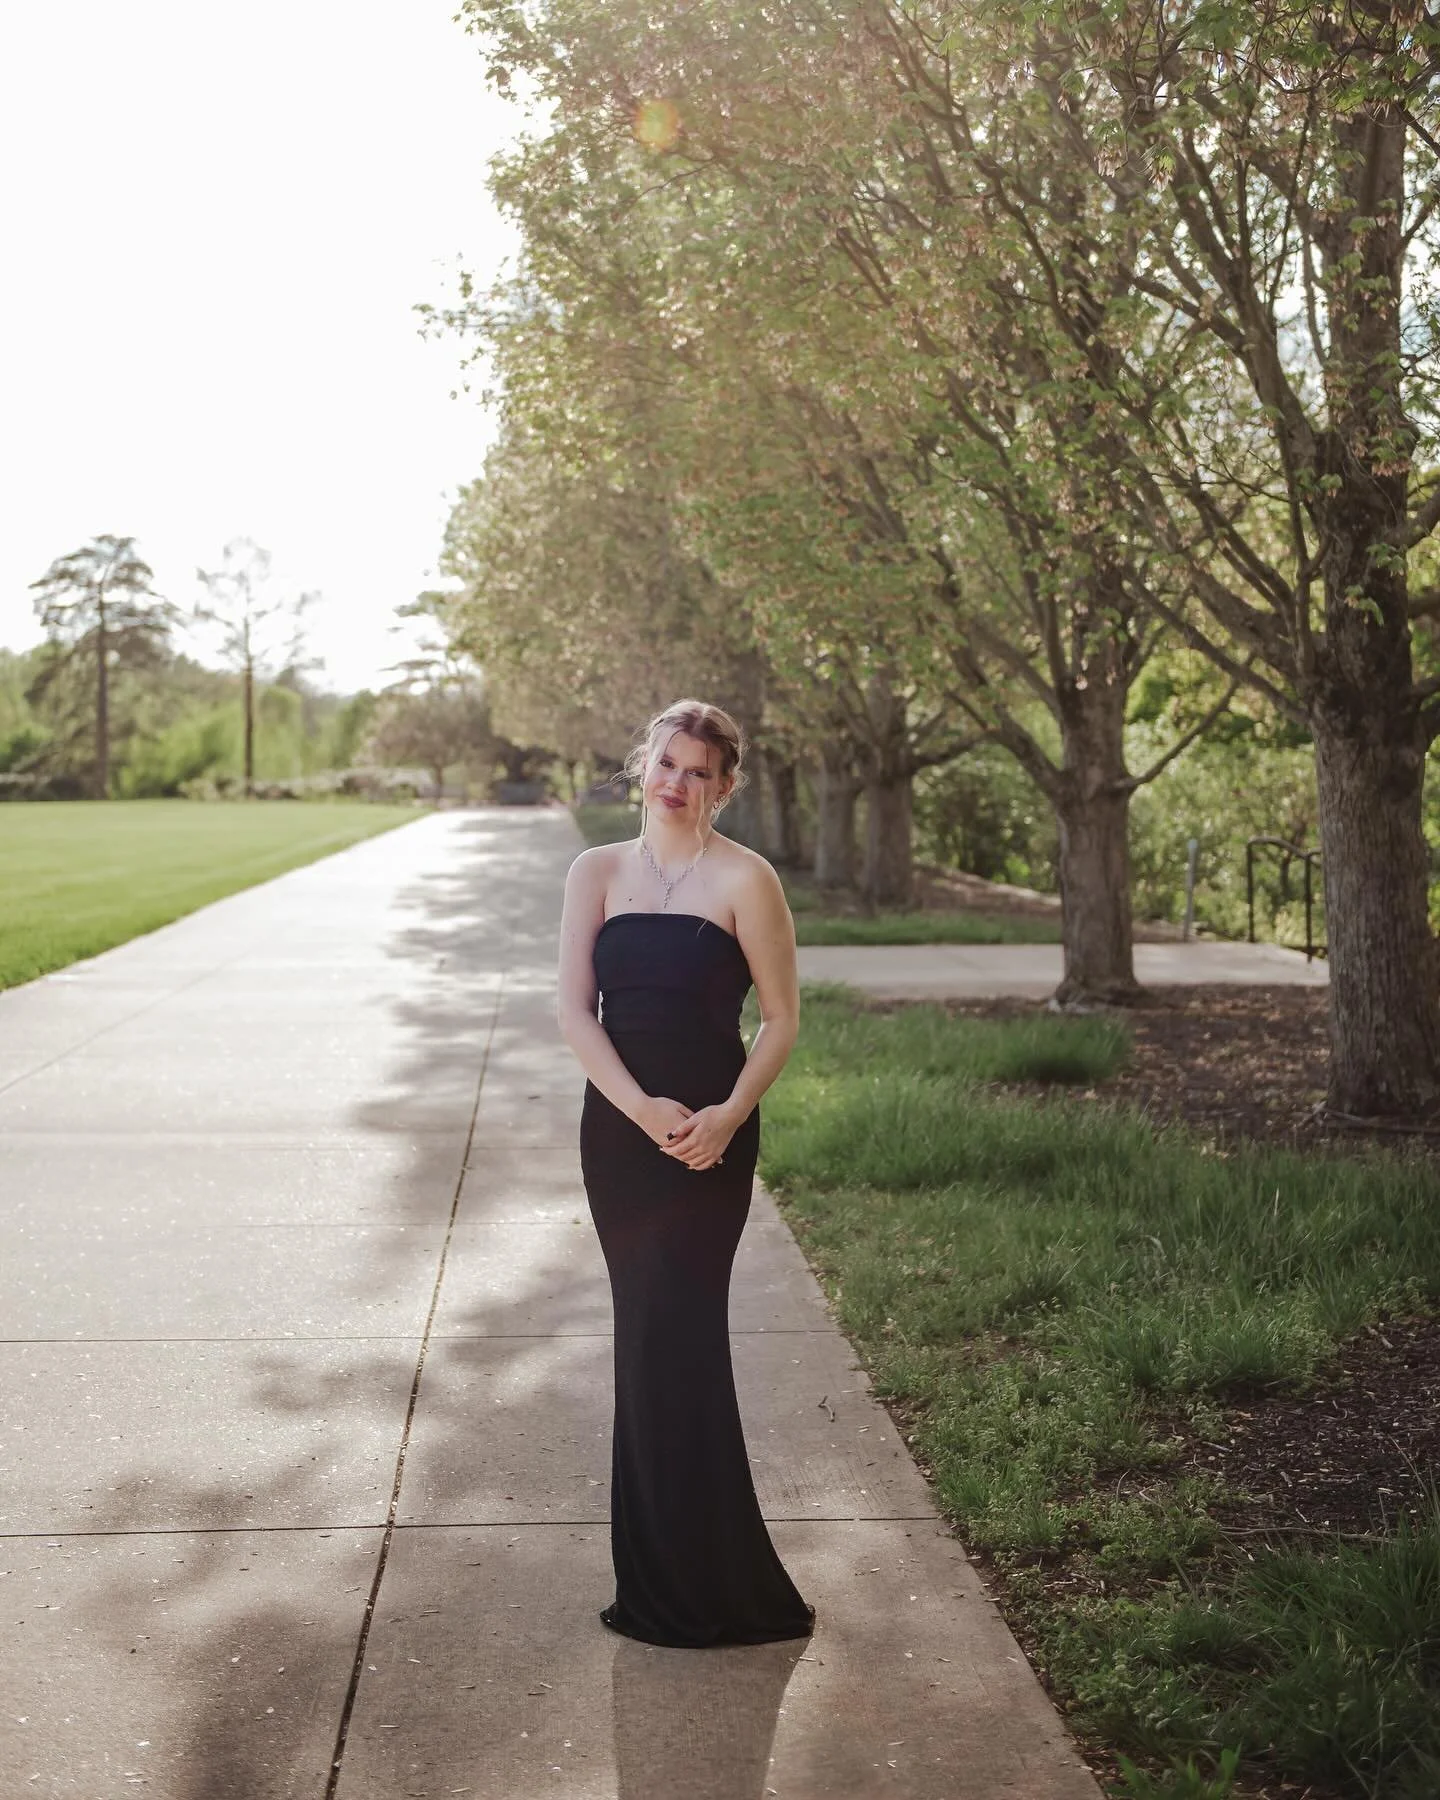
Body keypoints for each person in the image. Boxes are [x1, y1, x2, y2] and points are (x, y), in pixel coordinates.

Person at [557, 698, 816, 1647]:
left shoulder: (748, 879)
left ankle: (712, 1584)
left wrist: (726, 1116)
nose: (677, 783)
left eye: (699, 771)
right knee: (643, 1340)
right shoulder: (596, 872)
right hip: (623, 1137)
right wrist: (641, 1109)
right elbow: (576, 1014)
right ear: (644, 764)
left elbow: (780, 1020)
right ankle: (658, 1581)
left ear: (725, 785)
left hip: (713, 1135)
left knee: (687, 1336)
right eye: (667, 762)